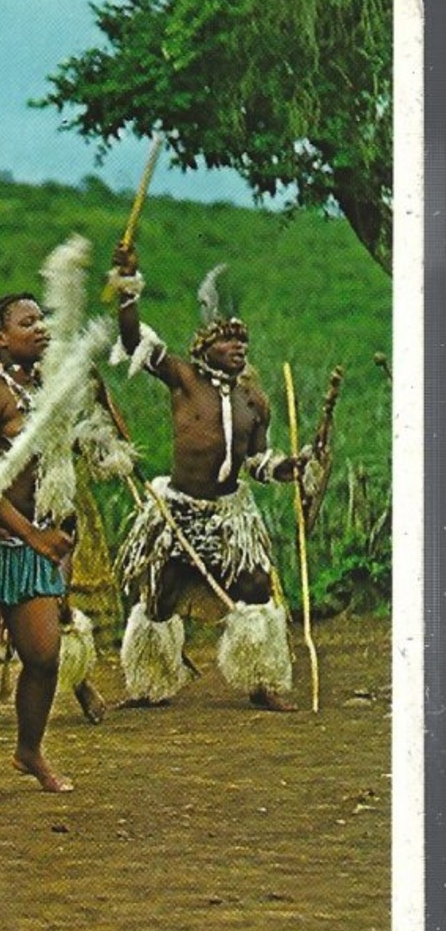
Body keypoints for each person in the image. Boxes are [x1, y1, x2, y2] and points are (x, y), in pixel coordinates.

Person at [110, 244, 304, 711]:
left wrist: (285, 468)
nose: (238, 347)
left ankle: (262, 682)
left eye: (243, 342)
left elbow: (256, 461)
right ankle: (149, 685)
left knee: (256, 588)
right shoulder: (182, 378)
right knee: (159, 595)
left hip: (228, 514)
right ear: (204, 346)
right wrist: (128, 288)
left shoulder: (254, 400)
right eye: (227, 340)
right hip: (176, 510)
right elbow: (134, 341)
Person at [0, 292, 76, 797]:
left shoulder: (51, 392)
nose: (41, 328)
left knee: (44, 655)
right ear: (0, 339)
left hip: (37, 544)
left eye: (43, 319)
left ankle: (29, 750)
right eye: (28, 323)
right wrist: (29, 533)